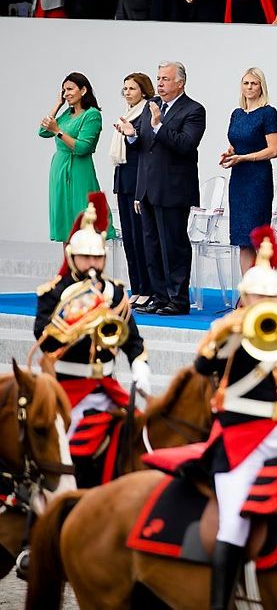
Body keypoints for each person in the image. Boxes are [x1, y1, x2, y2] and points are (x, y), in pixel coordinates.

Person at [193, 227, 277, 610]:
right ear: (245, 297)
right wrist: (227, 332)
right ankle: (220, 603)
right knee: (233, 521)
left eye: (271, 297)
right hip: (238, 437)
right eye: (258, 296)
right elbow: (202, 366)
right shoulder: (228, 331)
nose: (265, 303)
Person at [33, 194, 150, 486]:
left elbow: (132, 339)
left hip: (106, 386)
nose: (92, 263)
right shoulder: (54, 292)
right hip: (65, 388)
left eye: (97, 257)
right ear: (73, 257)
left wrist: (139, 365)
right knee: (61, 451)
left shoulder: (115, 293)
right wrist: (75, 319)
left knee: (142, 435)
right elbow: (43, 339)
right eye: (86, 257)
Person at [115, 61, 206, 316]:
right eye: (158, 79)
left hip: (174, 189)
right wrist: (132, 134)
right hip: (147, 189)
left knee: (173, 245)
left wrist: (158, 126)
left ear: (180, 83)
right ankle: (158, 296)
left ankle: (177, 300)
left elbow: (185, 145)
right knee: (152, 246)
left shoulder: (194, 110)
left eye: (166, 79)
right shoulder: (152, 106)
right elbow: (143, 146)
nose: (160, 84)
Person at [219, 68, 277, 274]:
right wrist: (230, 153)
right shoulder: (236, 114)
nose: (249, 87)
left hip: (257, 180)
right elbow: (238, 144)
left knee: (257, 237)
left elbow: (273, 149)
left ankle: (265, 290)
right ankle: (246, 293)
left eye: (254, 83)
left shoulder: (268, 112)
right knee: (242, 239)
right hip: (238, 180)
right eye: (246, 83)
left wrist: (244, 157)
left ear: (261, 86)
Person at [39, 72, 107, 243]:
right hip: (59, 170)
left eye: (70, 89)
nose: (66, 93)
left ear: (83, 90)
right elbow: (42, 132)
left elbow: (84, 147)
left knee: (82, 219)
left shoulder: (91, 114)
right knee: (66, 225)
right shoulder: (66, 115)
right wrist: (57, 104)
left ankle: (85, 268)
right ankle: (70, 268)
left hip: (78, 170)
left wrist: (57, 131)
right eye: (63, 90)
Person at [110, 72, 154, 307]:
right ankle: (136, 286)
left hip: (139, 180)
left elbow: (146, 145)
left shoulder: (148, 111)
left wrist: (132, 135)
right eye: (125, 88)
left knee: (141, 236)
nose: (127, 92)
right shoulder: (128, 113)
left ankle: (148, 288)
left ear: (144, 91)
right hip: (124, 179)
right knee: (129, 237)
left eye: (132, 89)